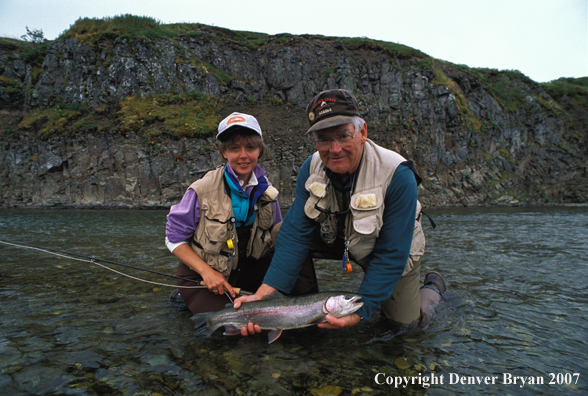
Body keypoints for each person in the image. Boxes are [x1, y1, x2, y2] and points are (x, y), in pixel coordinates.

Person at [235, 89, 447, 335]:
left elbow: (391, 254)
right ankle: (308, 308)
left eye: (343, 135)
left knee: (406, 328)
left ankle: (433, 289)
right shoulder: (311, 168)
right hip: (338, 238)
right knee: (282, 231)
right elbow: (295, 234)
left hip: (391, 249)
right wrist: (267, 293)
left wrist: (359, 312)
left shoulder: (398, 175)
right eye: (323, 139)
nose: (334, 149)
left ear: (362, 132)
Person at [165, 112, 317, 314]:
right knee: (227, 328)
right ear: (224, 152)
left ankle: (312, 309)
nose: (243, 155)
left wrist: (276, 283)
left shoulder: (267, 191)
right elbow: (173, 239)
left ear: (259, 151)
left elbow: (280, 240)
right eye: (235, 148)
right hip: (202, 278)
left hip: (249, 274)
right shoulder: (201, 189)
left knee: (289, 313)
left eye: (250, 148)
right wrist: (207, 272)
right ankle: (186, 298)